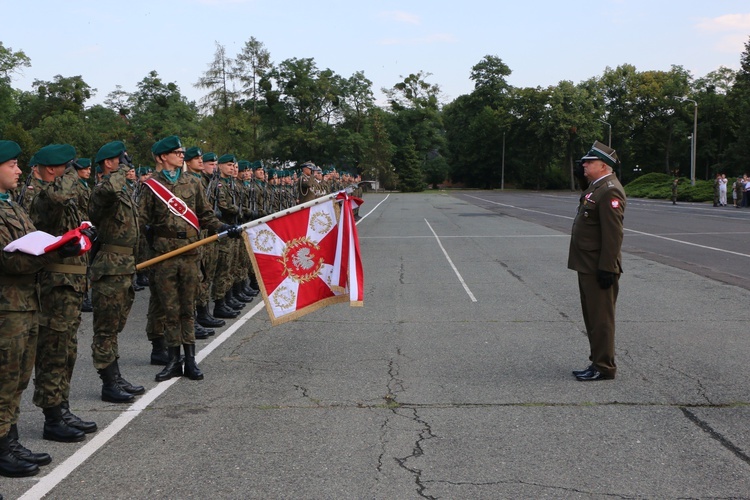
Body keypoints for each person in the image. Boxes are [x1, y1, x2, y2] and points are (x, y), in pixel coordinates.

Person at [0, 141, 85, 477]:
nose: (19, 170)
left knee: (18, 376)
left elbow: (34, 240)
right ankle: (4, 447)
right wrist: (57, 253)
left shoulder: (11, 206)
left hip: (24, 303)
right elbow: (11, 261)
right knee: (5, 378)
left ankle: (11, 440)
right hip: (8, 305)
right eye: (12, 165)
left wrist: (59, 245)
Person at [137, 136, 241, 382]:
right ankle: (173, 360)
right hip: (164, 255)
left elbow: (205, 215)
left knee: (188, 307)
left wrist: (223, 227)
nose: (181, 155)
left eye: (183, 151)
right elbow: (140, 221)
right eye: (177, 152)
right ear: (163, 157)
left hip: (191, 251)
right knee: (170, 309)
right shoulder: (151, 186)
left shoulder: (192, 183)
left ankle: (191, 360)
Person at [29, 144, 97, 442]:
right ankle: (52, 417)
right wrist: (71, 174)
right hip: (54, 285)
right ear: (54, 169)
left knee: (67, 351)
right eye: (68, 167)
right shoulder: (42, 194)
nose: (75, 171)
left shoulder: (65, 192)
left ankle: (62, 408)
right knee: (53, 352)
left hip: (71, 284)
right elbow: (56, 199)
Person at [88, 141, 145, 403]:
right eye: (121, 160)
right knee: (106, 329)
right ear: (108, 163)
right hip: (109, 268)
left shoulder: (122, 192)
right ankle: (108, 383)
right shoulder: (103, 190)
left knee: (116, 326)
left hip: (124, 266)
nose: (127, 165)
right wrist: (120, 171)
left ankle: (116, 375)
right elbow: (110, 187)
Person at [568, 140, 626, 382]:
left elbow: (613, 233)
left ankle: (604, 367)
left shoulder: (610, 190)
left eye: (589, 162)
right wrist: (582, 175)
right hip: (588, 263)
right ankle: (596, 361)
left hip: (598, 266)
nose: (584, 165)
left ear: (603, 166)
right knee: (592, 317)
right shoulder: (597, 185)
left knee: (601, 319)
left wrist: (607, 267)